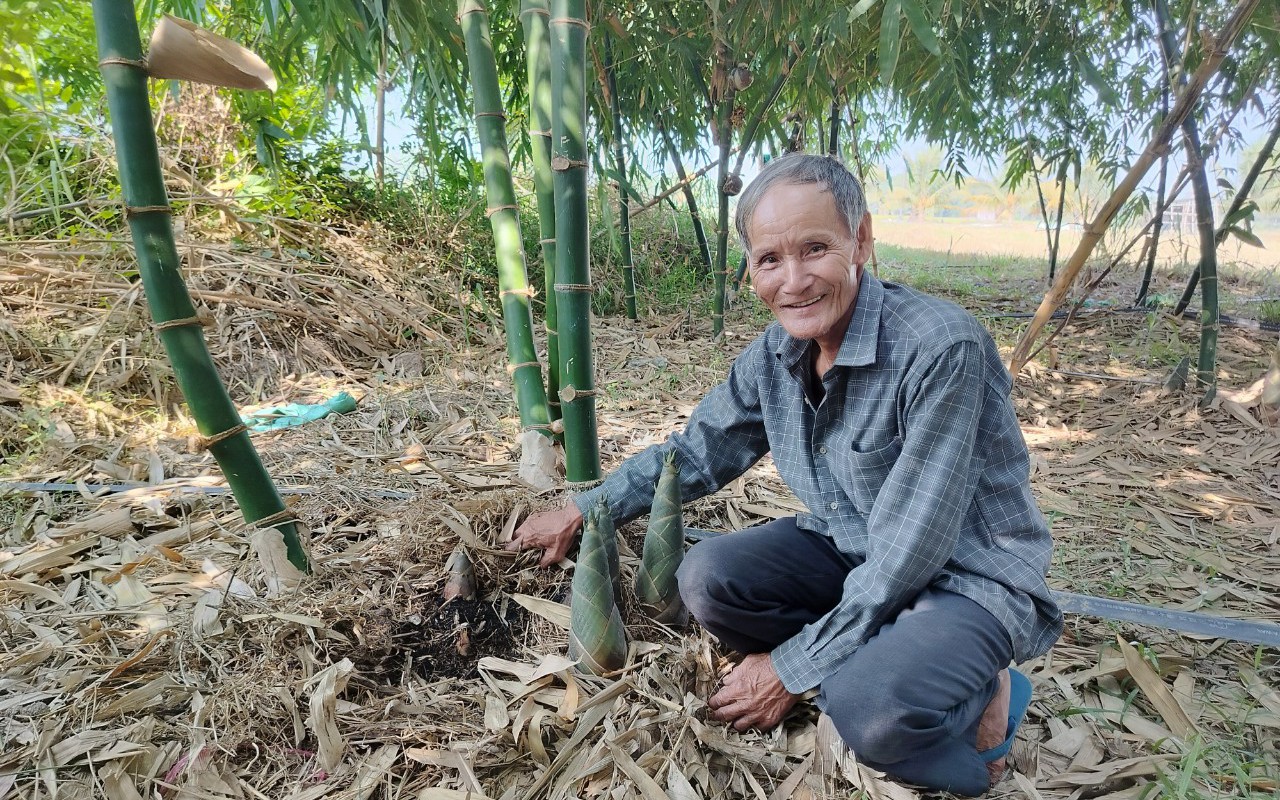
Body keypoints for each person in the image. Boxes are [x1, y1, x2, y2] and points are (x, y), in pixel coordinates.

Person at [508, 154, 1062, 796]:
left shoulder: (942, 347)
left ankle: (987, 705)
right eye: (770, 259)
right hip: (855, 554)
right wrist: (584, 508)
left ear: (861, 240)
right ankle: (894, 655)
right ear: (751, 270)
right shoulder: (775, 356)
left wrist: (790, 667)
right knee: (707, 580)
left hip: (964, 578)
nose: (793, 280)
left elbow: (915, 549)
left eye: (816, 248)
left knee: (869, 712)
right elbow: (692, 454)